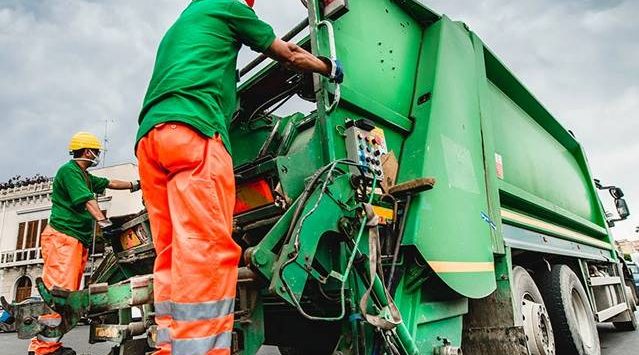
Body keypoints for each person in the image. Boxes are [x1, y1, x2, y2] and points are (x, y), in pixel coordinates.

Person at [135, 1, 344, 354]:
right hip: (195, 132)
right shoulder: (228, 7)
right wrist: (330, 67)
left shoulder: (185, 22)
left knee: (170, 253)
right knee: (206, 250)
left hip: (150, 141)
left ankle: (169, 346)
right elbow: (289, 54)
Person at [28, 132, 141, 355]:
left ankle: (51, 344)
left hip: (74, 239)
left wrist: (137, 184)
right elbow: (87, 200)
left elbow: (110, 183)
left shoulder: (85, 176)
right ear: (87, 151)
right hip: (63, 237)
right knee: (59, 294)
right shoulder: (69, 172)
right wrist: (104, 222)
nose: (97, 155)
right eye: (96, 151)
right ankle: (42, 349)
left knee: (68, 295)